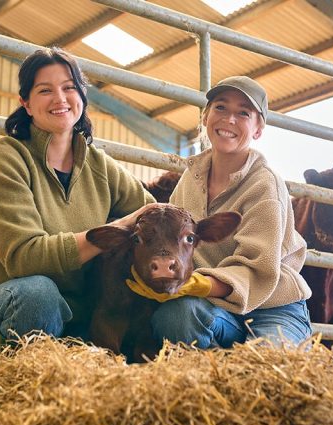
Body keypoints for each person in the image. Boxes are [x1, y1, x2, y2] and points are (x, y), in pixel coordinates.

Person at [0, 47, 154, 359]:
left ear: (82, 99)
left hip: (74, 320)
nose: (60, 98)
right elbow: (25, 258)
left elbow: (153, 215)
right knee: (38, 293)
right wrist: (116, 230)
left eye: (69, 88)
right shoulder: (3, 159)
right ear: (26, 104)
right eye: (45, 90)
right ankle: (12, 397)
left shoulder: (100, 166)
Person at [131, 76, 313, 348]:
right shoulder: (189, 179)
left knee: (266, 364)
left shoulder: (265, 185)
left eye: (243, 113)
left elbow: (259, 269)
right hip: (214, 305)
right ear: (205, 117)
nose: (229, 120)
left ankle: (245, 352)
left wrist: (198, 284)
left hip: (272, 305)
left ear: (258, 130)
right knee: (175, 318)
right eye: (220, 108)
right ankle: (217, 359)